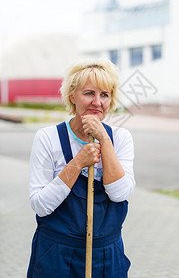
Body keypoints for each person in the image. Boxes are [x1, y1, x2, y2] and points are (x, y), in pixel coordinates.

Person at [27, 58, 135, 278]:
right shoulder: (48, 138)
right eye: (89, 93)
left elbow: (120, 194)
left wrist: (104, 140)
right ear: (72, 96)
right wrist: (77, 163)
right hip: (56, 254)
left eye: (104, 95)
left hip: (106, 254)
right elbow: (40, 205)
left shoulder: (121, 138)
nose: (97, 102)